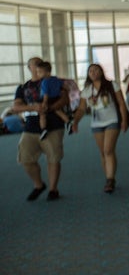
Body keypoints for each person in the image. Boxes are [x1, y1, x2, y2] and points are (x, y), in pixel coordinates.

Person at [12, 57, 69, 201]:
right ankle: (38, 185)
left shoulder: (54, 82)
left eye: (40, 63)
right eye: (35, 64)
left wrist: (49, 107)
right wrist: (33, 107)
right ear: (29, 68)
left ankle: (53, 189)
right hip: (30, 127)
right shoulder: (23, 87)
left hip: (53, 125)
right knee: (25, 158)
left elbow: (65, 99)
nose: (38, 66)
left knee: (53, 157)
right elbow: (16, 107)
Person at [71, 64, 129, 194]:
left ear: (101, 72)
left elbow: (121, 103)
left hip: (112, 120)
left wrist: (124, 121)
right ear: (88, 74)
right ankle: (109, 177)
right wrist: (75, 122)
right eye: (90, 71)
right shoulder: (86, 90)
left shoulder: (112, 85)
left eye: (96, 70)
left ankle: (110, 179)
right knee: (103, 152)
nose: (93, 73)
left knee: (108, 150)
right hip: (96, 123)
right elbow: (81, 109)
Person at [36, 60, 70, 140]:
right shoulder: (56, 79)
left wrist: (44, 102)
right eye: (37, 72)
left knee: (42, 114)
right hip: (56, 98)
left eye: (40, 72)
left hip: (47, 99)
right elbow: (65, 87)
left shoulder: (44, 82)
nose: (38, 74)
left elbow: (46, 94)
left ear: (47, 73)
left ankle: (43, 129)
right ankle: (68, 122)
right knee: (58, 111)